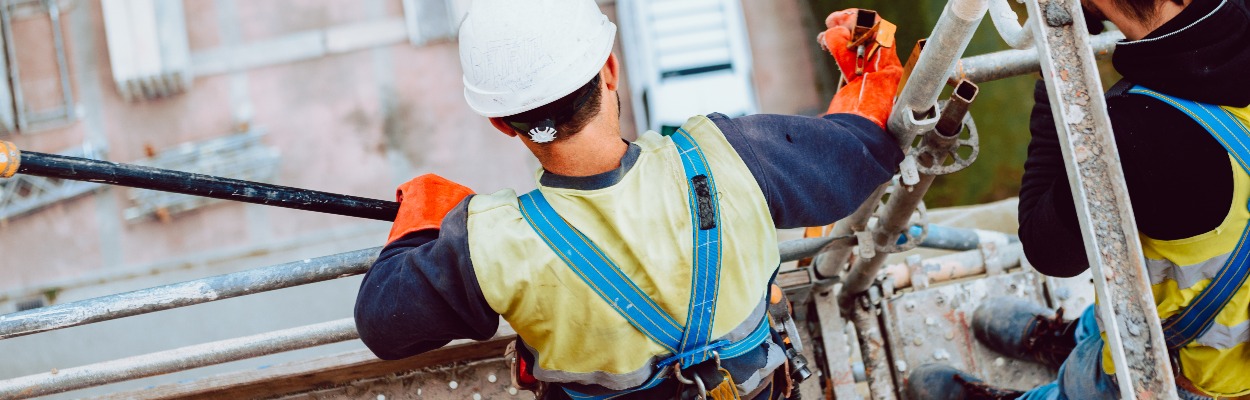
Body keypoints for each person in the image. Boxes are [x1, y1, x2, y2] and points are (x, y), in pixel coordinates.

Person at [353, 1, 905, 399]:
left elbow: (384, 322)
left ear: (502, 123)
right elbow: (856, 155)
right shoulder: (733, 158)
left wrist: (428, 225)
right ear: (610, 70)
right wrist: (868, 81)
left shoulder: (493, 244)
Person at [906, 0, 1250, 398]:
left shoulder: (1137, 132)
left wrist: (1057, 82)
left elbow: (1047, 249)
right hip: (1216, 313)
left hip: (1198, 370)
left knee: (1089, 383)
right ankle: (1077, 336)